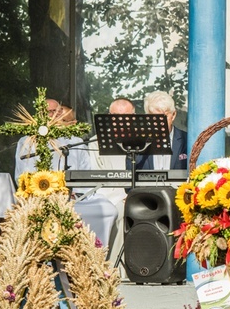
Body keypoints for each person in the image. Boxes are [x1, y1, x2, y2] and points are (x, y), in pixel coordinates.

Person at [15, 98, 119, 253]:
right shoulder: (26, 142)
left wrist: (76, 194)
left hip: (74, 198)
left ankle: (94, 256)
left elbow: (86, 174)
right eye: (47, 112)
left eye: (55, 111)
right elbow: (21, 176)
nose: (51, 115)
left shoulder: (75, 141)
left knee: (108, 209)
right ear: (39, 114)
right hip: (40, 200)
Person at [90, 97, 135, 274]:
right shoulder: (95, 142)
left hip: (137, 196)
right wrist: (123, 197)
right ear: (109, 117)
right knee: (119, 213)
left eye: (126, 117)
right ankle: (112, 271)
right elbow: (95, 180)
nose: (121, 121)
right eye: (116, 116)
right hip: (108, 197)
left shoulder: (143, 142)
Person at [135, 90, 188, 170]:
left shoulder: (187, 140)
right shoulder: (137, 143)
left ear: (173, 115)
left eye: (164, 117)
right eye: (154, 117)